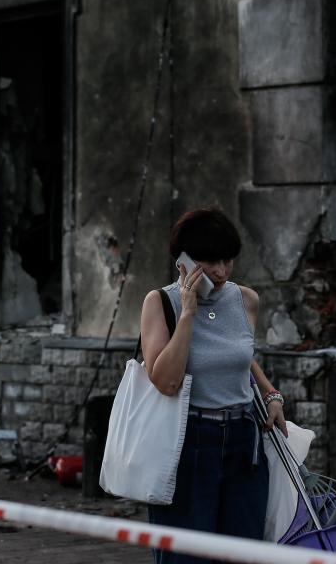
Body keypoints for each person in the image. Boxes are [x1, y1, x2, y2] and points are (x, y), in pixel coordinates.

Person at [140, 207, 287, 563]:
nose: (221, 272)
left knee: (244, 554)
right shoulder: (161, 303)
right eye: (209, 261)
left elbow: (240, 354)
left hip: (243, 443)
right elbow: (166, 381)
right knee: (186, 558)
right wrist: (188, 313)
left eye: (227, 260)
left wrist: (271, 394)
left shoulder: (245, 299)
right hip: (189, 442)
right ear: (184, 261)